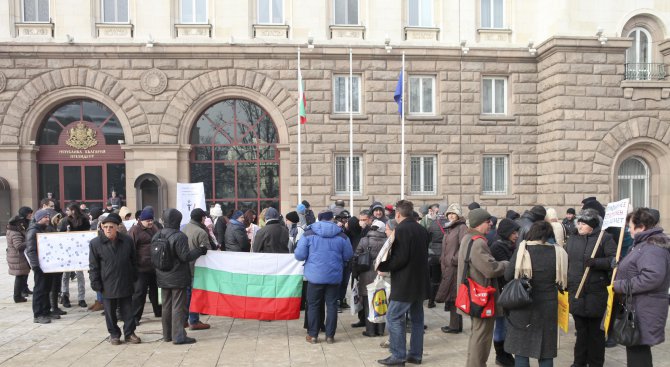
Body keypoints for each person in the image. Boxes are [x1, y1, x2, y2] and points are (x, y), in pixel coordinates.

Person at [504, 221, 568, 367]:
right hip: (548, 306)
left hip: (523, 303)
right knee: (546, 351)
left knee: (521, 349)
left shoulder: (522, 250)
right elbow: (565, 281)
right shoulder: (558, 252)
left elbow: (508, 275)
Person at [613, 208, 670, 367]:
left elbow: (652, 277)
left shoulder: (652, 247)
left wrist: (620, 285)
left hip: (645, 308)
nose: (628, 229)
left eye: (630, 225)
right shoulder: (642, 244)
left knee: (638, 353)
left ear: (642, 227)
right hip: (638, 307)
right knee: (636, 351)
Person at [376, 200, 429, 366]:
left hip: (406, 283)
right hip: (420, 282)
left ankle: (398, 356)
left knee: (393, 316)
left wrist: (384, 265)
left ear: (398, 214)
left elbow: (401, 258)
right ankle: (415, 355)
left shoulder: (402, 230)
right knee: (417, 320)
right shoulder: (421, 229)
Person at [458, 208, 508, 367]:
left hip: (472, 294)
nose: (491, 224)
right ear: (479, 224)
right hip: (481, 296)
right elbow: (490, 269)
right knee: (482, 337)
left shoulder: (467, 238)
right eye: (488, 222)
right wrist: (506, 264)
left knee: (476, 334)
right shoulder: (478, 242)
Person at [566, 208, 616, 367]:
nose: (579, 226)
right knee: (581, 333)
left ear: (592, 225)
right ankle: (578, 363)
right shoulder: (572, 239)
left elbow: (614, 261)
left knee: (596, 334)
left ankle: (595, 363)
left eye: (583, 223)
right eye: (578, 223)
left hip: (596, 293)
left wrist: (597, 263)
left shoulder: (605, 238)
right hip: (577, 292)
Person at [295, 209, 353, 344]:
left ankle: (313, 335)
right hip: (334, 276)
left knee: (313, 305)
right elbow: (348, 255)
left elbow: (299, 255)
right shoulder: (342, 235)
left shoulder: (308, 233)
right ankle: (330, 336)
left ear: (319, 219)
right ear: (332, 219)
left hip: (314, 277)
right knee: (332, 305)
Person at [155, 208, 208, 345]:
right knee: (178, 306)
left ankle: (167, 335)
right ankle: (179, 336)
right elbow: (185, 257)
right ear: (177, 221)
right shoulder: (179, 236)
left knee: (166, 306)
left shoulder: (157, 234)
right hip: (177, 276)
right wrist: (200, 250)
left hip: (162, 275)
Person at [89, 213, 141, 345]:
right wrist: (95, 282)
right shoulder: (96, 243)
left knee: (128, 310)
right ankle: (114, 334)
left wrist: (134, 275)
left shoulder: (127, 240)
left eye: (111, 227)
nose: (107, 229)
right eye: (105, 227)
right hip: (107, 282)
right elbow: (93, 265)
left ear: (117, 227)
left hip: (125, 279)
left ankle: (129, 333)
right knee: (110, 312)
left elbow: (133, 260)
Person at [489, 218, 520, 366]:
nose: (516, 235)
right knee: (501, 324)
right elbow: (507, 269)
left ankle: (506, 353)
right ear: (507, 233)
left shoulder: (512, 245)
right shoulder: (498, 246)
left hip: (508, 289)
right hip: (501, 291)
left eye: (517, 232)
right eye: (513, 233)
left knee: (506, 324)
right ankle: (501, 355)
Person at [436, 203, 467, 334]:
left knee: (454, 296)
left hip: (454, 267)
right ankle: (455, 324)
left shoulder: (461, 227)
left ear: (458, 215)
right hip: (447, 267)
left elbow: (463, 246)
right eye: (449, 214)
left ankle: (454, 326)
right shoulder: (449, 228)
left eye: (454, 214)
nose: (451, 216)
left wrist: (453, 260)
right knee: (451, 295)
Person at [182, 208, 213, 331]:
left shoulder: (183, 228)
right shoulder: (201, 232)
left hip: (184, 268)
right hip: (197, 269)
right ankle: (194, 320)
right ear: (202, 218)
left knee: (186, 295)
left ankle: (184, 320)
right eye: (204, 218)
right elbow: (208, 251)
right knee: (195, 295)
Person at [355, 219, 388, 337]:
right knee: (381, 301)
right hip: (382, 274)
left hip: (366, 274)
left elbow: (357, 255)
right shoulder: (387, 241)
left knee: (368, 302)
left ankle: (370, 330)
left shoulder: (364, 240)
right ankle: (380, 330)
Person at [128, 206, 161, 325]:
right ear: (141, 220)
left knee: (155, 292)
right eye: (148, 221)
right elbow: (130, 249)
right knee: (139, 293)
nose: (150, 222)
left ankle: (158, 311)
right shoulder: (134, 230)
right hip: (140, 268)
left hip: (154, 267)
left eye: (151, 220)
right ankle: (135, 317)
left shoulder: (155, 228)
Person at [26, 209, 55, 324]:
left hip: (47, 265)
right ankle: (38, 315)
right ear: (39, 219)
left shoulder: (44, 229)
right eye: (45, 217)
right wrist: (35, 266)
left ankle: (46, 311)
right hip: (39, 265)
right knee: (39, 289)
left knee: (46, 288)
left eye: (48, 217)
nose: (48, 219)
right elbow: (31, 250)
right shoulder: (33, 231)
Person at [59, 204, 90, 308]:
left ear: (73, 210)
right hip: (67, 251)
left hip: (79, 250)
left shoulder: (84, 220)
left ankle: (81, 298)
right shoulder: (64, 221)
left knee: (80, 274)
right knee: (65, 274)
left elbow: (87, 234)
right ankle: (65, 296)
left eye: (68, 210)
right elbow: (59, 235)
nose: (66, 212)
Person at [426, 206, 448, 308]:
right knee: (447, 278)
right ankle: (447, 303)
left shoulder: (433, 224)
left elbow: (428, 238)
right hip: (445, 254)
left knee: (434, 279)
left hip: (433, 254)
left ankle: (431, 301)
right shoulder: (449, 224)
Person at [6, 215, 31, 303]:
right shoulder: (15, 232)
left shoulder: (12, 230)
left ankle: (18, 295)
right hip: (18, 257)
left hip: (15, 256)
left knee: (20, 276)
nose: (22, 223)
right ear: (17, 223)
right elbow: (18, 246)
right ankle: (17, 297)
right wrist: (29, 242)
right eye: (20, 222)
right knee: (20, 276)